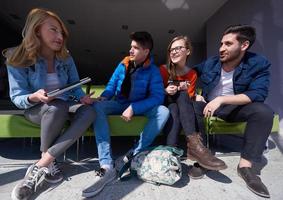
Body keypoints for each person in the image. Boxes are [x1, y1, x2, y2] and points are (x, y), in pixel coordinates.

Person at [4, 8, 96, 200]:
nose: (59, 36)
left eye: (61, 32)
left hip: (64, 103)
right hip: (36, 108)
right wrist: (35, 97)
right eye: (53, 30)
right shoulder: (17, 57)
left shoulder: (65, 57)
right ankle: (45, 165)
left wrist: (82, 98)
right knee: (57, 107)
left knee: (89, 112)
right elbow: (18, 97)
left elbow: (75, 86)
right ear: (37, 30)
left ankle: (42, 163)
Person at [82, 31, 169, 198]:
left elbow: (158, 97)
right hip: (120, 103)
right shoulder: (123, 64)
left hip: (140, 106)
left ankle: (133, 154)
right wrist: (104, 97)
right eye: (131, 47)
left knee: (163, 111)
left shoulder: (153, 70)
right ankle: (106, 164)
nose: (131, 50)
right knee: (98, 108)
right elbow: (111, 85)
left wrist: (134, 108)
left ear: (146, 52)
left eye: (135, 48)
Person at [193, 25, 273, 198]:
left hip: (234, 108)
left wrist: (221, 99)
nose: (221, 48)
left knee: (264, 112)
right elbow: (190, 73)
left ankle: (245, 167)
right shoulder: (211, 62)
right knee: (193, 106)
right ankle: (204, 158)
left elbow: (258, 93)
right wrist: (194, 93)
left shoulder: (258, 63)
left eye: (228, 44)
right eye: (221, 44)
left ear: (244, 45)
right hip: (208, 106)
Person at [160, 36, 227, 179]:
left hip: (179, 105)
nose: (174, 51)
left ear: (188, 51)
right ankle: (195, 147)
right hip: (163, 102)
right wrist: (166, 90)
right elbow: (154, 92)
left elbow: (188, 98)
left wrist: (193, 95)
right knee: (175, 103)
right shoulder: (163, 70)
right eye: (171, 49)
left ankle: (172, 151)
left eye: (178, 48)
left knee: (181, 102)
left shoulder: (191, 74)